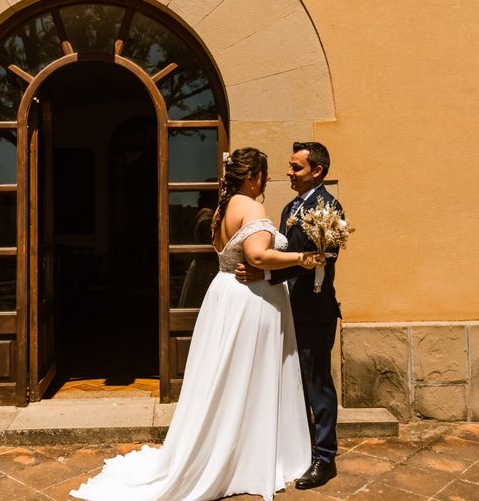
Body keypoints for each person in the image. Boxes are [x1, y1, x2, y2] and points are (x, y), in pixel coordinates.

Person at [70, 148, 325, 501]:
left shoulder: (223, 207)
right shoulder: (251, 207)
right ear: (254, 177)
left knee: (228, 378)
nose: (267, 181)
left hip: (224, 296)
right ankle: (249, 455)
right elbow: (257, 256)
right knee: (249, 376)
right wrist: (304, 257)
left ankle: (232, 446)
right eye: (264, 175)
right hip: (248, 301)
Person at [236, 141, 343, 490]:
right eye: (289, 166)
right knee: (292, 382)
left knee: (317, 384)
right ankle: (301, 448)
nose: (288, 172)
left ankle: (324, 458)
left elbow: (314, 259)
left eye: (296, 167)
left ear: (317, 171)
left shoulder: (328, 207)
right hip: (287, 307)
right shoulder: (292, 206)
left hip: (313, 310)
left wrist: (263, 273)